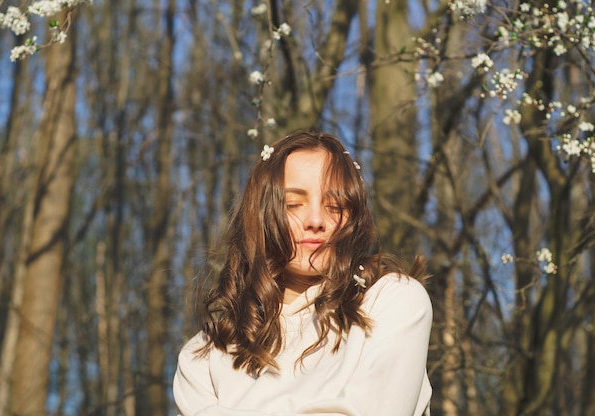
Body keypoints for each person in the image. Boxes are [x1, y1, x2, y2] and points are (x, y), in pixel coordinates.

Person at [173, 130, 433, 415]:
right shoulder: (204, 356)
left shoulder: (391, 302)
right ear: (260, 214)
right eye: (293, 204)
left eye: (335, 206)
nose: (316, 220)